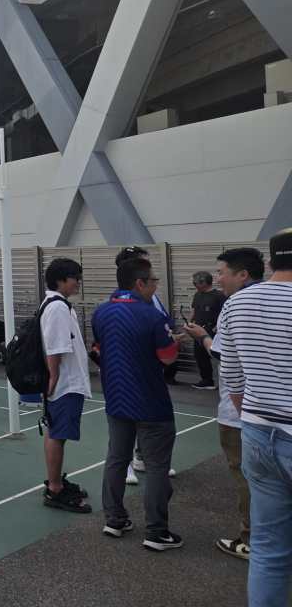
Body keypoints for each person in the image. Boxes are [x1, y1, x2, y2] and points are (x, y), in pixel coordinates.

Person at [219, 229, 292, 606]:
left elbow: (232, 378)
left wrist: (252, 413)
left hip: (257, 431)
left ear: (271, 260)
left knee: (268, 548)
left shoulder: (237, 303)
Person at [94, 256, 182, 550]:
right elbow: (168, 357)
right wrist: (176, 340)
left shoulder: (101, 313)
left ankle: (114, 519)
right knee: (156, 466)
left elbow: (99, 349)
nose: (156, 286)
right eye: (154, 281)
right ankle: (156, 531)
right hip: (151, 401)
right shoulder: (152, 317)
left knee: (116, 458)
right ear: (140, 283)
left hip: (116, 398)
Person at [185, 247, 264, 561]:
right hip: (275, 412)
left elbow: (225, 358)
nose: (218, 279)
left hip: (242, 413)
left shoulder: (236, 305)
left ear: (242, 274)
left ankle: (252, 540)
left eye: (222, 272)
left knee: (248, 477)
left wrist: (203, 337)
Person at [116, 246, 179, 486]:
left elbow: (164, 322)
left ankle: (141, 457)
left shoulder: (152, 298)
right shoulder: (118, 302)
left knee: (147, 415)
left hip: (150, 369)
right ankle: (126, 465)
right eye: (144, 263)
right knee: (125, 420)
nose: (151, 270)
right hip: (126, 371)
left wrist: (172, 337)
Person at [39, 258, 92, 513]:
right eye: (75, 278)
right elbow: (56, 347)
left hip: (64, 382)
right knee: (57, 434)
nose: (78, 283)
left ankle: (56, 482)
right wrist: (54, 377)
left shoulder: (55, 304)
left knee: (55, 432)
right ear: (61, 280)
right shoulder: (58, 307)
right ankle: (55, 489)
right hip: (65, 383)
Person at [189, 270, 225, 390]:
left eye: (195, 283)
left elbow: (224, 313)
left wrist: (217, 328)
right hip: (199, 329)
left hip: (213, 330)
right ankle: (207, 380)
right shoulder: (197, 295)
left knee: (219, 355)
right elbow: (194, 310)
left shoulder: (219, 296)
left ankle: (226, 382)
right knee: (200, 355)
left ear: (204, 282)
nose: (194, 285)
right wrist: (190, 323)